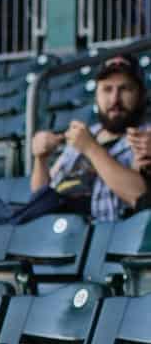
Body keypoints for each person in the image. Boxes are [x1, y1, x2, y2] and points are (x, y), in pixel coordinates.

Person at [30, 54, 151, 222]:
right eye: (107, 89)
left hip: (105, 238)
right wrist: (41, 160)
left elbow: (139, 197)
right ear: (96, 95)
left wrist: (90, 148)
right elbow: (40, 200)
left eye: (125, 89)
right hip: (57, 234)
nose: (115, 99)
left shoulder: (146, 138)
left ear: (141, 94)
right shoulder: (85, 133)